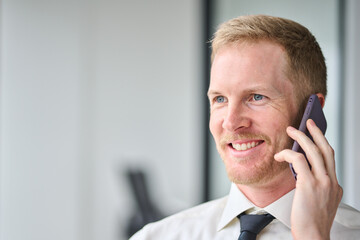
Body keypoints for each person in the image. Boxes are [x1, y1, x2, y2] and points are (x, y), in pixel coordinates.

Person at [130, 15, 360, 239]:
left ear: (313, 111)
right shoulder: (157, 236)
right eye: (220, 99)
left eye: (257, 97)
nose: (231, 122)